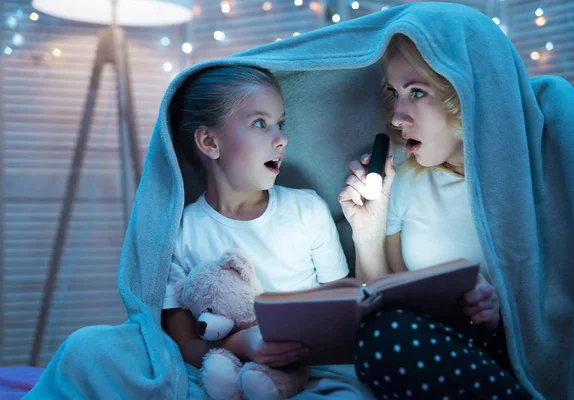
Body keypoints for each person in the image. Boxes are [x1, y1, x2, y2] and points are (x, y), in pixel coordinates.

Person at [338, 34, 532, 399]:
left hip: (513, 353)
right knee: (378, 338)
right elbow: (382, 306)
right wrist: (367, 231)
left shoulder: (523, 176)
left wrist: (498, 315)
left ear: (463, 95)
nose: (397, 117)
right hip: (438, 349)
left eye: (416, 92)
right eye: (394, 93)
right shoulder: (406, 179)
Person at [163, 65, 350, 398]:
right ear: (209, 141)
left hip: (306, 373)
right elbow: (184, 345)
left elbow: (341, 308)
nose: (282, 138)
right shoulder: (182, 232)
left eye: (281, 123)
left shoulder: (307, 210)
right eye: (260, 123)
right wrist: (241, 344)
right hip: (220, 373)